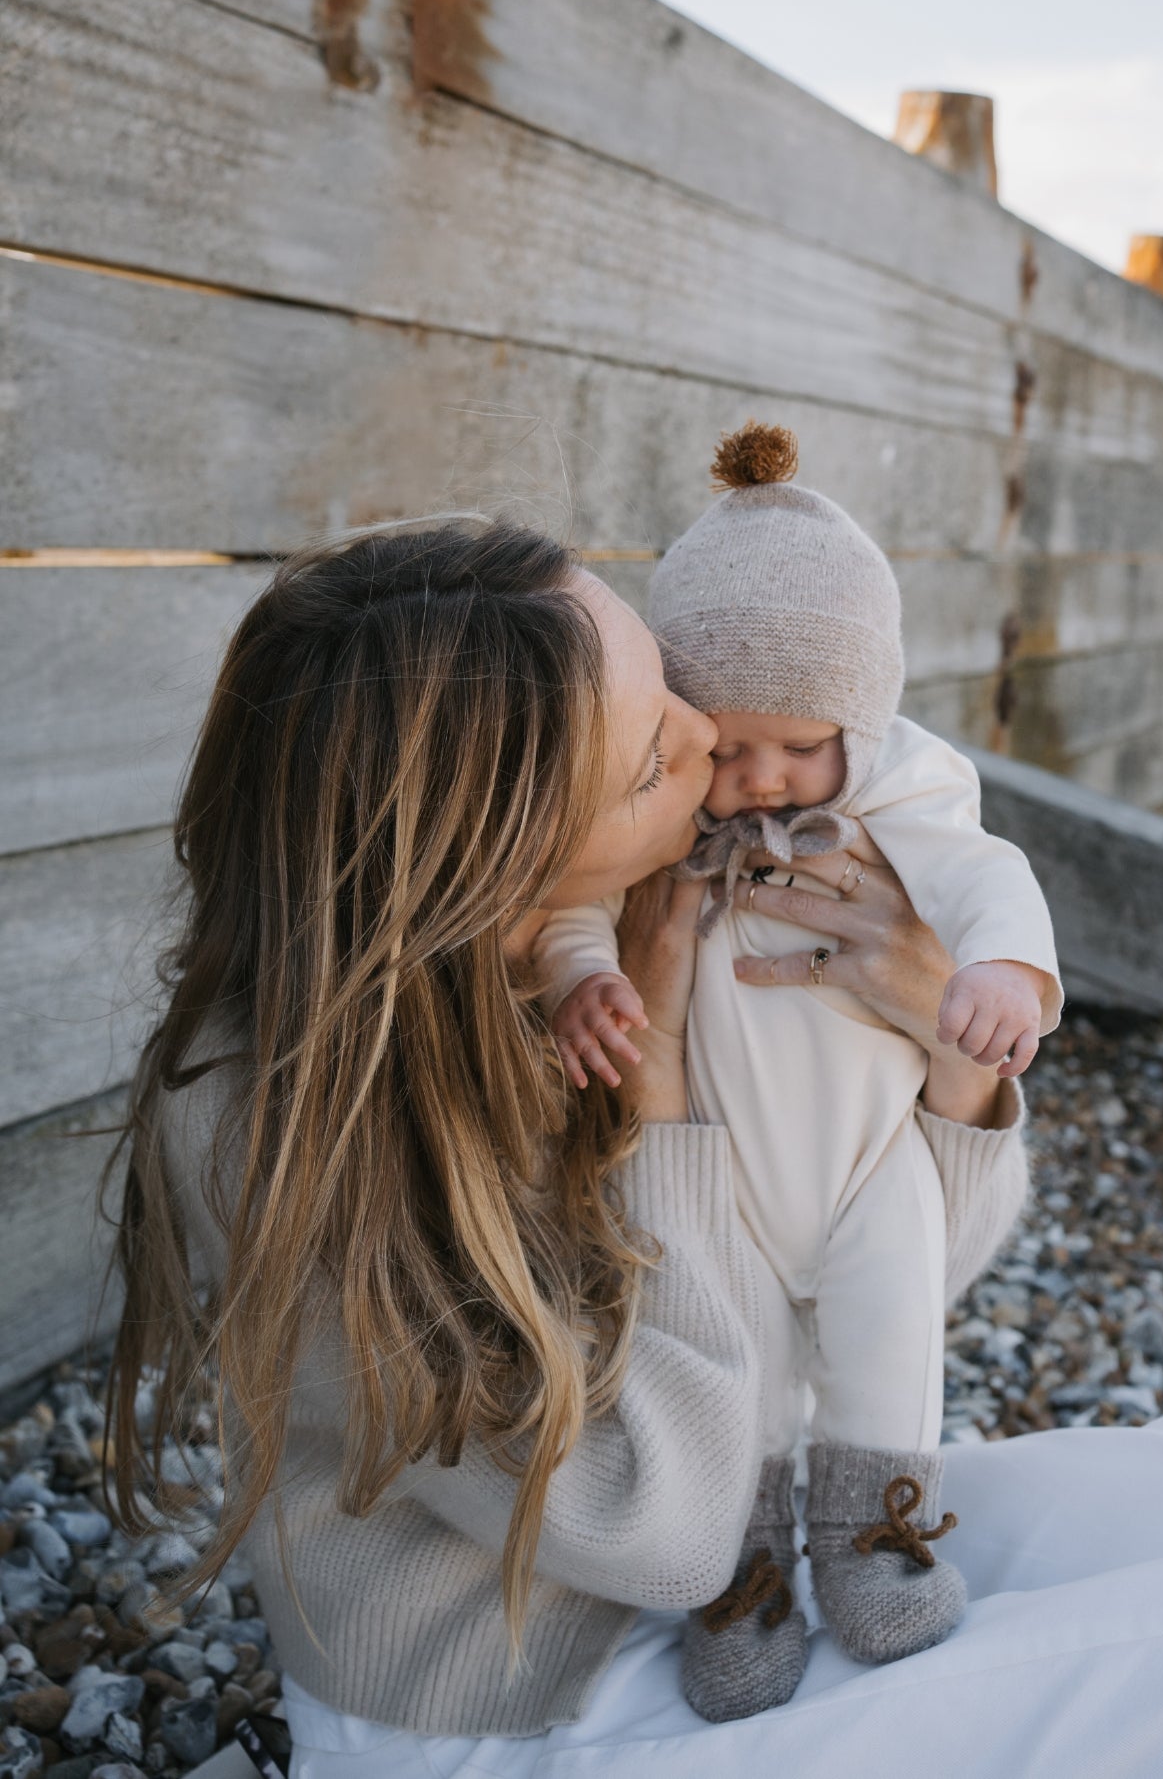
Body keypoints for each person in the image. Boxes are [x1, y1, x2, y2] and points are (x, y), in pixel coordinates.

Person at [99, 515, 1032, 1759]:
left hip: (713, 1539)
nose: (715, 738)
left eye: (667, 683)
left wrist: (948, 1053)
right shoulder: (292, 1128)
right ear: (498, 862)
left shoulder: (599, 923)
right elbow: (670, 1523)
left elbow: (870, 1288)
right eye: (656, 756)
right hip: (515, 1680)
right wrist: (657, 1087)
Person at [533, 422, 1063, 1718]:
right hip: (715, 1170)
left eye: (801, 747)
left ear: (860, 716)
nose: (763, 780)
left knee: (889, 1350)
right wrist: (579, 980)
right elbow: (568, 908)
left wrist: (998, 976)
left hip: (875, 1163)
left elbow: (988, 879)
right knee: (734, 1370)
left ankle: (880, 1539)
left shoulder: (907, 790)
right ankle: (741, 1566)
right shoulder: (661, 811)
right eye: (733, 745)